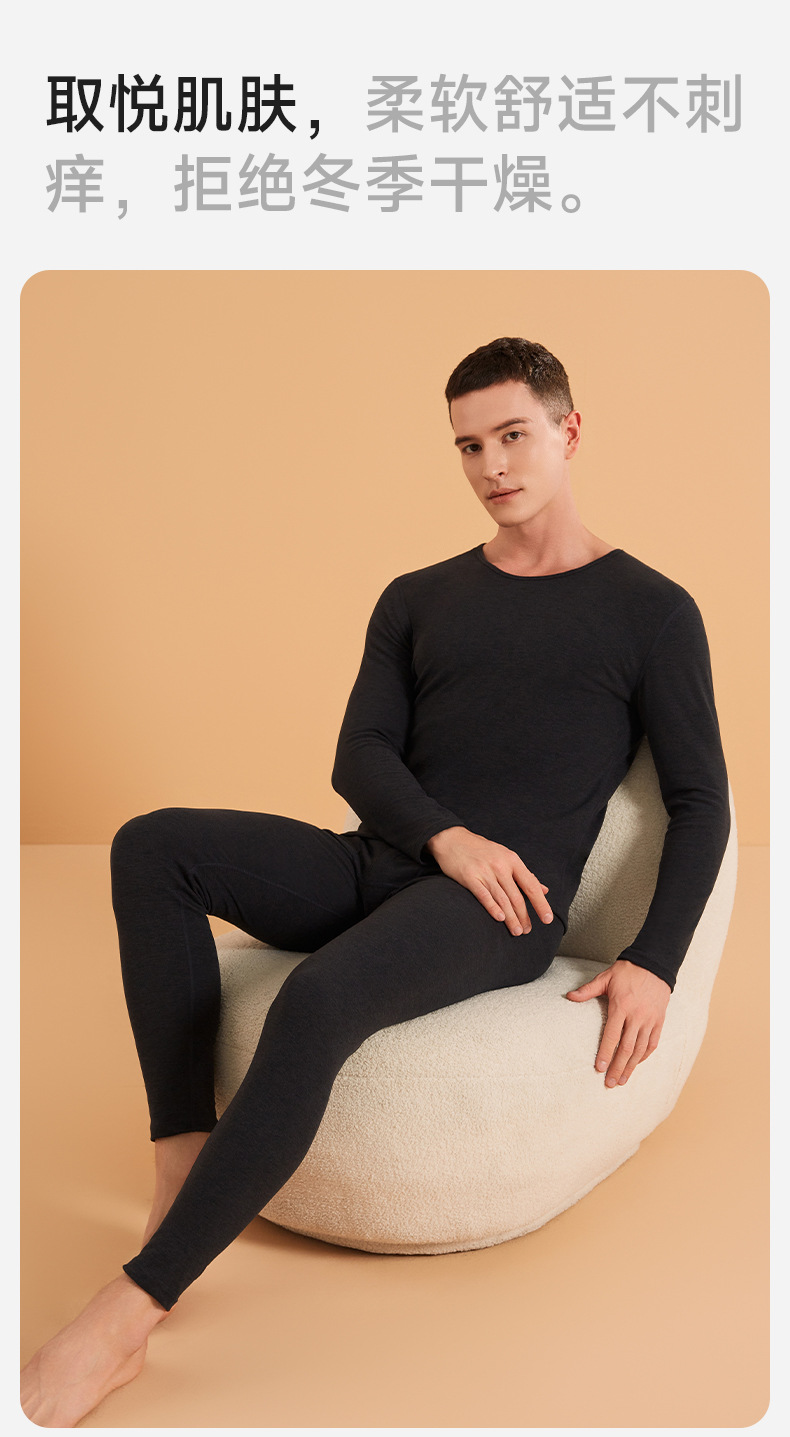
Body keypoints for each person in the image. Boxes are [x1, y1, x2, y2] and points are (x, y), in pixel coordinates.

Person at [21, 336, 731, 1426]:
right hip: (386, 859)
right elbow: (359, 756)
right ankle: (181, 1158)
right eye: (469, 446)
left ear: (569, 432)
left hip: (504, 909)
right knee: (151, 845)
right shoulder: (418, 596)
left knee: (318, 998)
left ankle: (128, 1315)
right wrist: (445, 836)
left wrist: (655, 961)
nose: (493, 465)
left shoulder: (652, 610)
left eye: (513, 435)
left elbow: (700, 800)